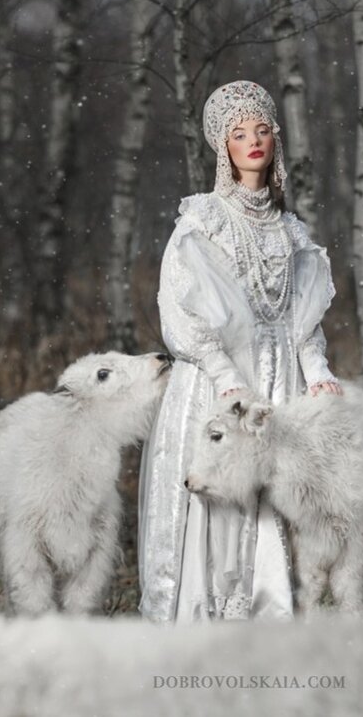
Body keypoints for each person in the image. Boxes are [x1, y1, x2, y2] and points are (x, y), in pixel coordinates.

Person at [138, 80, 341, 623]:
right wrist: (225, 375)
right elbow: (183, 316)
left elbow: (304, 320)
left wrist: (317, 370)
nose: (252, 140)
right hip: (219, 383)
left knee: (280, 499)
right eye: (238, 132)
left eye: (261, 129)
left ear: (275, 137)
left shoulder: (292, 231)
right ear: (222, 146)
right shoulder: (202, 220)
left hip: (282, 388)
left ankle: (274, 625)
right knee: (222, 501)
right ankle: (210, 628)